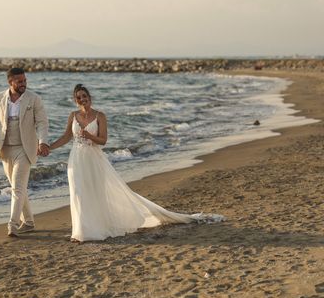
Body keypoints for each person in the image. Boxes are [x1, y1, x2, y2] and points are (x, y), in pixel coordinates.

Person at [49, 83, 223, 242]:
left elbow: (103, 141)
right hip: (76, 160)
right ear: (75, 100)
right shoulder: (73, 115)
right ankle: (80, 232)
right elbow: (66, 137)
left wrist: (90, 136)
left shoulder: (100, 115)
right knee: (78, 193)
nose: (82, 99)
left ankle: (95, 229)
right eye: (78, 97)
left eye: (84, 96)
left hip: (94, 159)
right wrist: (49, 147)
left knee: (96, 192)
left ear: (89, 97)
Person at [0, 67, 50, 237]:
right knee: (18, 187)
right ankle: (29, 222)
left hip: (25, 149)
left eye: (24, 80)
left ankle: (13, 224)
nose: (23, 83)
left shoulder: (34, 99)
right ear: (10, 82)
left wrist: (43, 142)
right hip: (6, 149)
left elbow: (42, 123)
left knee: (17, 188)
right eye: (19, 81)